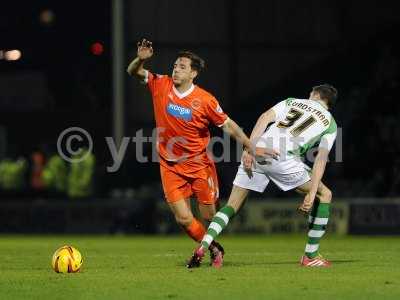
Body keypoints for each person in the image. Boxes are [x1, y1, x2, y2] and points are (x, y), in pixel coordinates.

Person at [127, 39, 276, 267]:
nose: (176, 69)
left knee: (208, 217)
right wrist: (141, 59)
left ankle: (211, 239)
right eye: (175, 65)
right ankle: (214, 249)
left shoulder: (205, 100)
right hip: (169, 165)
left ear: (193, 74)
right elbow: (132, 71)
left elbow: (228, 126)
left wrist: (250, 145)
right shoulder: (160, 84)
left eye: (182, 67)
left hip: (199, 165)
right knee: (184, 218)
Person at [189, 84, 338, 268]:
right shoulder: (330, 124)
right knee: (325, 194)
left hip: (259, 149)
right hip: (283, 158)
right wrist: (312, 191)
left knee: (232, 206)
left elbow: (265, 117)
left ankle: (204, 246)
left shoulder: (292, 101)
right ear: (329, 103)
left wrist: (249, 148)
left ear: (314, 94)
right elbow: (321, 159)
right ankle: (310, 255)